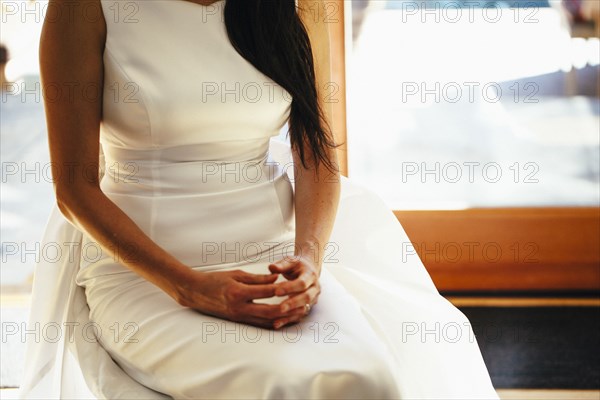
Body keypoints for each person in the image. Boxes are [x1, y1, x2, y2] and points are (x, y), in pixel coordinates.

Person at [19, 0, 500, 398]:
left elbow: (317, 154)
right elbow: (73, 188)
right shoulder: (85, 7)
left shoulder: (295, 6)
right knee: (285, 385)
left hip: (271, 257)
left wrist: (309, 262)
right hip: (149, 272)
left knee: (365, 378)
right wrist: (189, 287)